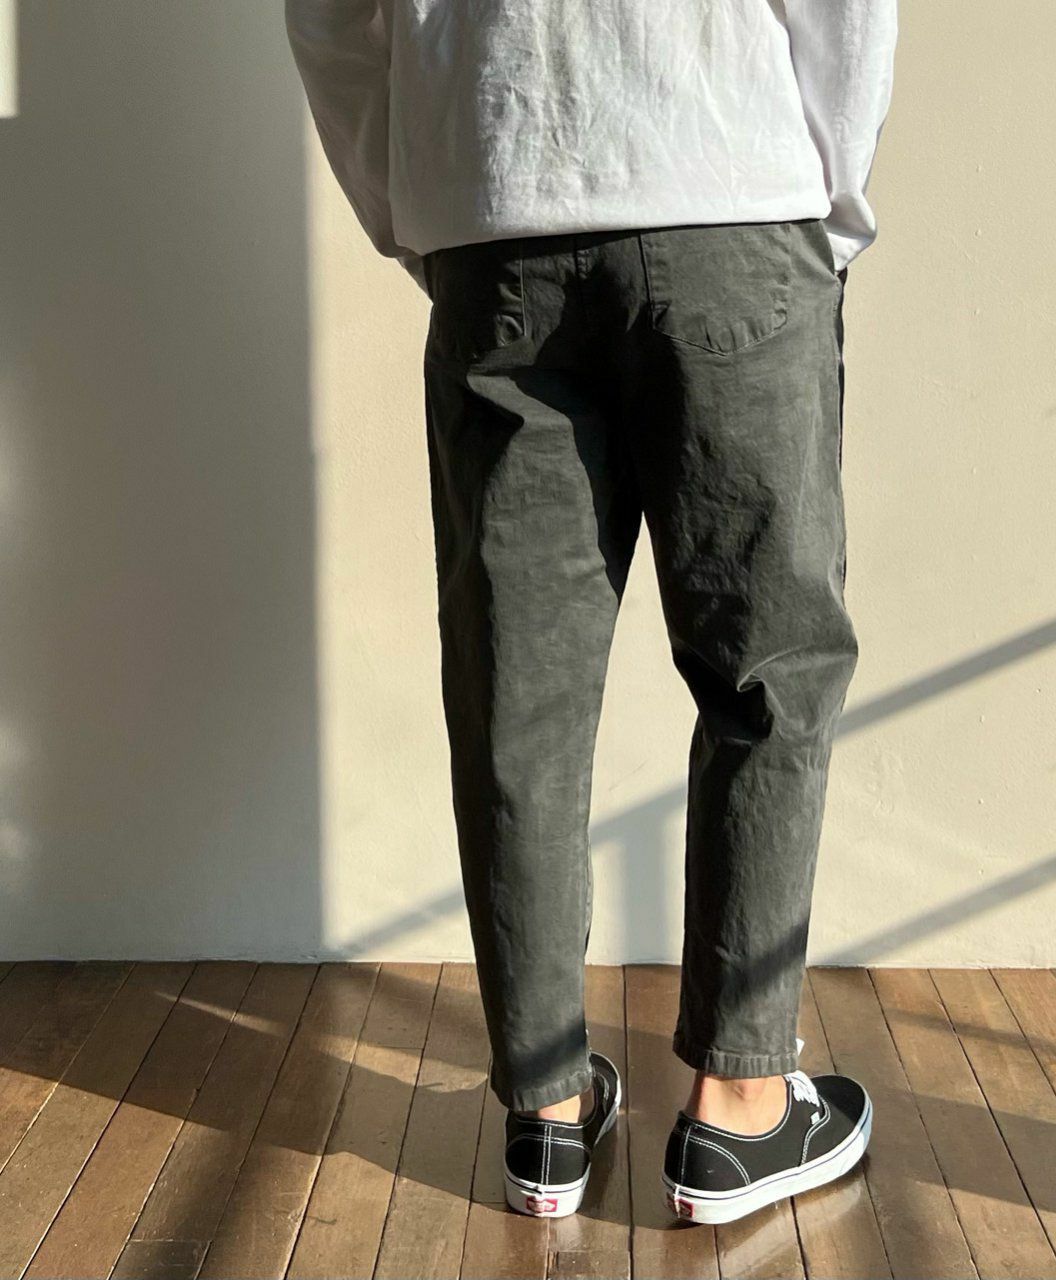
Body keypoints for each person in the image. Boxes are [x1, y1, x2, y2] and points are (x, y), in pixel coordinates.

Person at [285, 0, 897, 1224]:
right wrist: (816, 189)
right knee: (765, 668)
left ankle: (547, 1110)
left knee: (517, 692)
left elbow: (332, 14)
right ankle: (739, 1107)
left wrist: (423, 200)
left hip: (496, 203)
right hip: (726, 179)